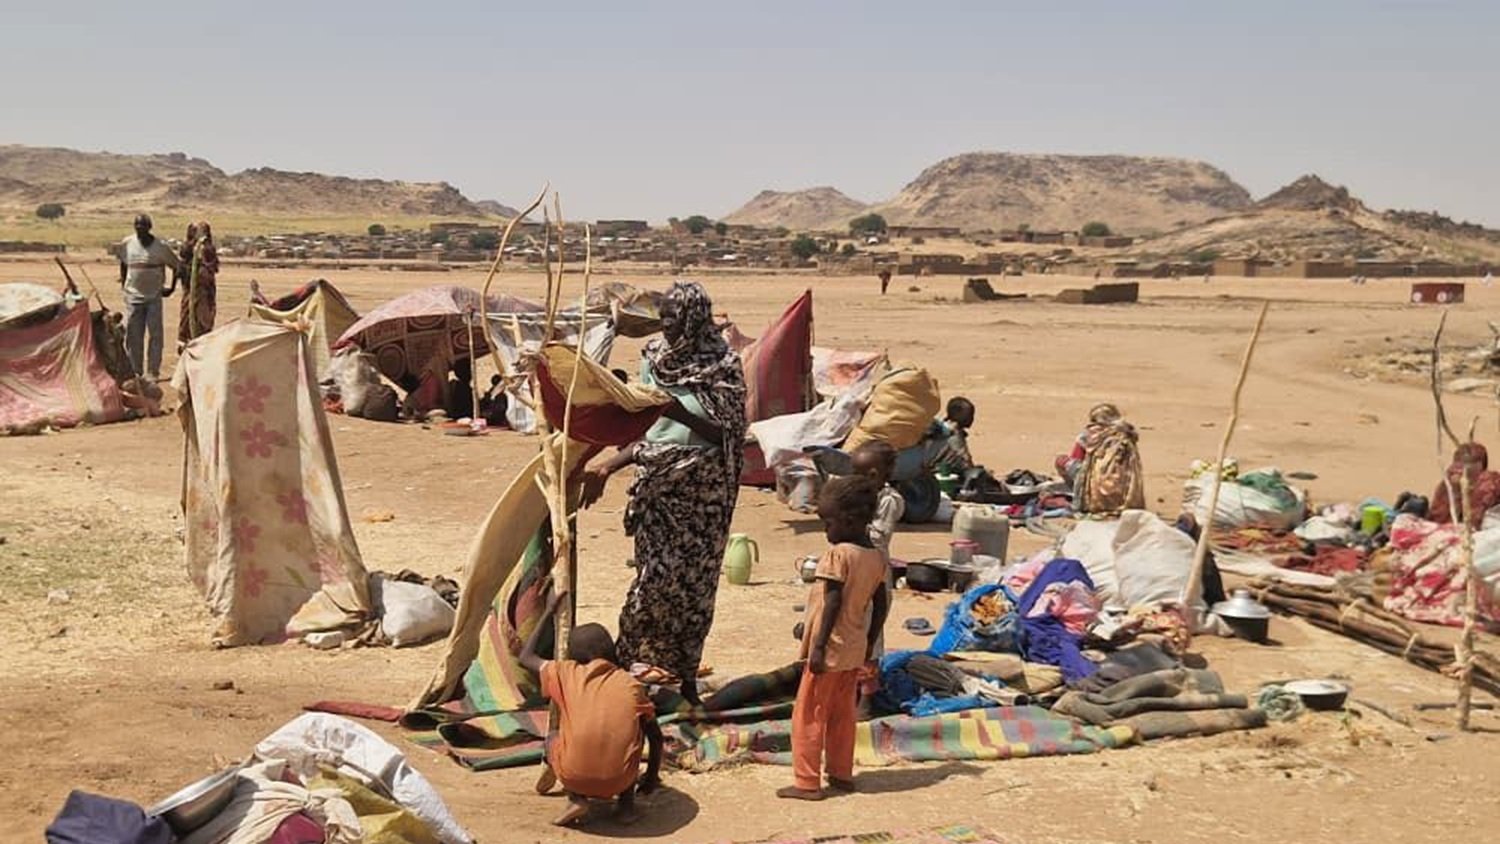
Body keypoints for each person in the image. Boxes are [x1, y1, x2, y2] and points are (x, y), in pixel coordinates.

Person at [579, 281, 747, 705]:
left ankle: (685, 679)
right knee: (651, 582)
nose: (665, 323)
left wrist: (670, 407)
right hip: (658, 486)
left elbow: (727, 434)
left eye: (673, 315)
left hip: (704, 491)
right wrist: (606, 465)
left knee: (693, 588)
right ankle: (623, 675)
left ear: (694, 317)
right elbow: (642, 429)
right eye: (663, 315)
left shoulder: (722, 365)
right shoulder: (654, 357)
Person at [777, 476, 890, 801]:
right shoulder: (876, 557)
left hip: (830, 650)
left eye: (828, 522)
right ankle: (841, 773)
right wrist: (870, 640)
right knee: (843, 714)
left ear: (850, 520)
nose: (826, 530)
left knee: (809, 712)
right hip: (854, 648)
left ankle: (806, 782)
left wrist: (819, 645)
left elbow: (832, 602)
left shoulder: (838, 555)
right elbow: (879, 603)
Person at [519, 591, 663, 827]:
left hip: (573, 774)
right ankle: (626, 808)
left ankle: (576, 798)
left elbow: (526, 657)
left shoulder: (566, 673)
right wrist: (651, 777)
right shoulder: (632, 686)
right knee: (635, 737)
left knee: (555, 735)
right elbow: (655, 738)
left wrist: (548, 611)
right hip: (621, 778)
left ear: (575, 657)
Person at [117, 214, 181, 379]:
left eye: (143, 225)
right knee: (133, 335)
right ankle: (135, 371)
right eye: (137, 225)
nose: (139, 228)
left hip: (153, 297)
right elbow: (123, 264)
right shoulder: (127, 244)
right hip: (133, 298)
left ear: (149, 227)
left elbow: (177, 266)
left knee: (155, 335)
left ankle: (153, 371)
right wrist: (124, 285)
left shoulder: (160, 247)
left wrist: (171, 288)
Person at [1429, 442, 1500, 529]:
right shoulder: (1448, 484)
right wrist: (1455, 492)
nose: (1457, 470)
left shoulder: (1489, 483)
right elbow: (1436, 519)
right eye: (1457, 463)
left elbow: (1474, 523)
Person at [171, 220, 218, 347]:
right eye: (196, 231)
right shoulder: (186, 249)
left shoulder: (209, 249)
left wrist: (203, 260)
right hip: (190, 291)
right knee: (188, 315)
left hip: (205, 292)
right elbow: (180, 268)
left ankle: (203, 341)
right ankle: (184, 341)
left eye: (202, 231)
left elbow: (213, 267)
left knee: (204, 318)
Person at [926, 396, 975, 472]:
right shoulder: (954, 435)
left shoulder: (940, 427)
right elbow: (965, 463)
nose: (972, 419)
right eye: (970, 415)